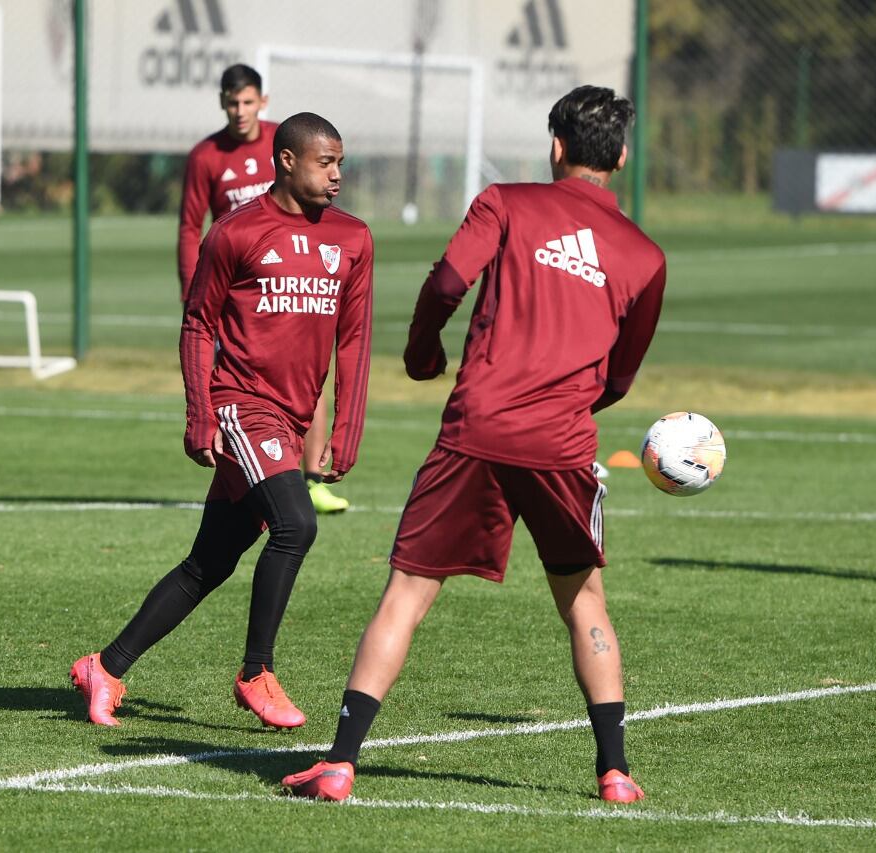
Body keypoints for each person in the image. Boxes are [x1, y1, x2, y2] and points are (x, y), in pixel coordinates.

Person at [282, 85, 666, 803]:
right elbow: (620, 375)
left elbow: (448, 281)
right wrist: (572, 405)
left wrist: (422, 349)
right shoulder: (645, 255)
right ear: (619, 155)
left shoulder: (507, 203)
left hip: (478, 429)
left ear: (555, 147)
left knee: (406, 593)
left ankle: (339, 761)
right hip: (561, 442)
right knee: (585, 599)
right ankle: (614, 771)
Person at [71, 112, 374, 728]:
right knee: (297, 525)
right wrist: (200, 414)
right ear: (287, 161)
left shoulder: (353, 238)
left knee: (209, 563)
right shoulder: (235, 232)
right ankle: (257, 672)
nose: (338, 175)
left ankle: (105, 666)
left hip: (290, 419)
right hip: (242, 404)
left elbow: (356, 340)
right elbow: (199, 323)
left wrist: (346, 429)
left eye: (341, 162)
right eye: (326, 162)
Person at [179, 63, 350, 515]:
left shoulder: (291, 142)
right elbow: (189, 227)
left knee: (308, 373)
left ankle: (307, 477)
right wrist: (191, 295)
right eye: (232, 102)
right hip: (236, 287)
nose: (240, 111)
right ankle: (259, 474)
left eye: (248, 101)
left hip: (292, 280)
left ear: (263, 101)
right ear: (222, 102)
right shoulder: (207, 156)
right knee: (243, 385)